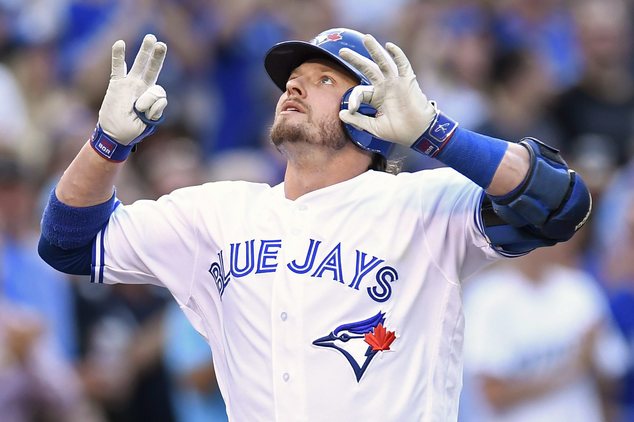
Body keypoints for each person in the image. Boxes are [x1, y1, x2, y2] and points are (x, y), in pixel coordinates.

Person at [38, 28, 591, 421]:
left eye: (323, 79)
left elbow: (558, 204)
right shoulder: (217, 212)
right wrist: (106, 145)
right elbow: (69, 243)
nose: (295, 88)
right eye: (292, 79)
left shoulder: (424, 205)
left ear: (370, 111)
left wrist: (435, 134)